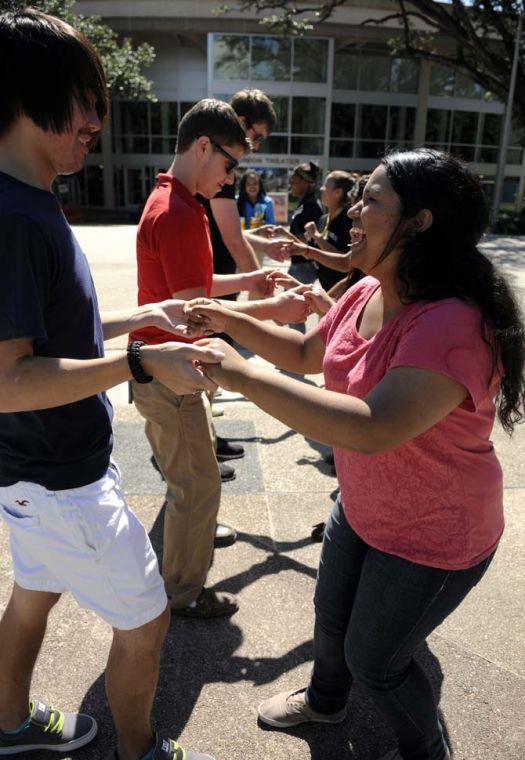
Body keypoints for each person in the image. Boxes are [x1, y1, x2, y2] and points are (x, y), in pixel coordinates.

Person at [186, 149, 525, 760]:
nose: (356, 213)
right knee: (332, 620)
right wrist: (227, 323)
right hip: (364, 506)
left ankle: (427, 749)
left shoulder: (450, 324)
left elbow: (373, 427)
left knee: (378, 659)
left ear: (419, 223)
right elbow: (306, 352)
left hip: (436, 533)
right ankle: (324, 699)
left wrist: (242, 377)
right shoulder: (367, 286)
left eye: (372, 200)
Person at [0, 10, 223, 760]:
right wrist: (139, 363)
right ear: (23, 96)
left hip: (33, 478)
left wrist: (141, 320)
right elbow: (8, 381)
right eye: (81, 98)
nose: (95, 119)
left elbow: (51, 337)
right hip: (64, 482)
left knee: (31, 599)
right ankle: (140, 751)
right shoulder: (15, 217)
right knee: (148, 620)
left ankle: (9, 729)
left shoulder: (27, 199)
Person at [129, 98, 281, 620]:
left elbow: (193, 285)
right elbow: (197, 311)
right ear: (201, 146)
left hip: (160, 371)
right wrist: (271, 309)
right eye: (230, 163)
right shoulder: (177, 212)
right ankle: (183, 593)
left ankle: (176, 577)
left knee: (191, 483)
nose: (232, 178)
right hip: (169, 377)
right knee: (196, 487)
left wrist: (248, 281)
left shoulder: (176, 201)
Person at [287, 161, 324, 287]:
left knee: (291, 305)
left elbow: (307, 240)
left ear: (305, 182)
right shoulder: (306, 203)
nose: (290, 181)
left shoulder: (310, 206)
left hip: (304, 267)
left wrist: (286, 239)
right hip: (299, 265)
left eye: (294, 178)